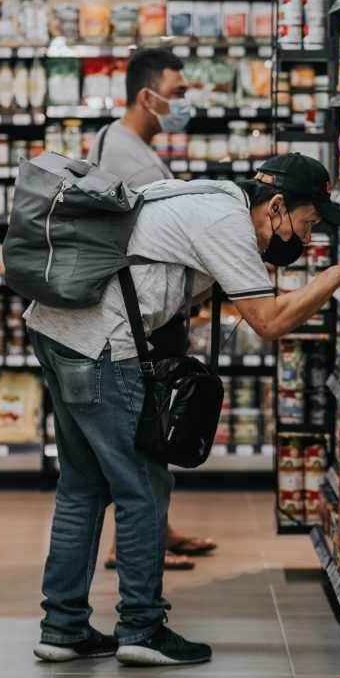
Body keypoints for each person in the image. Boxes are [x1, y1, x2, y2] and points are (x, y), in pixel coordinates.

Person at [28, 143, 340, 668]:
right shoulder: (227, 222)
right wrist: (332, 277)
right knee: (143, 487)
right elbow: (270, 322)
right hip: (101, 346)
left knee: (82, 485)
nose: (309, 237)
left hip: (56, 331)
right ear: (276, 206)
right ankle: (141, 628)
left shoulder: (208, 195)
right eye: (307, 223)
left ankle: (63, 628)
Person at [92, 48, 216, 572]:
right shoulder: (137, 161)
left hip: (125, 310)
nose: (185, 102)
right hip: (142, 317)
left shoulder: (111, 137)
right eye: (180, 92)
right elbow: (166, 244)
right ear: (149, 96)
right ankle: (136, 545)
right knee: (149, 429)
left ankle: (157, 531)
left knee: (144, 432)